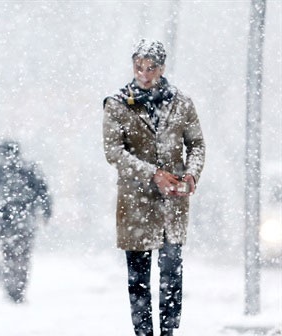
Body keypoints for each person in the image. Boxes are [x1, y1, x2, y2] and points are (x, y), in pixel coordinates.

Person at [102, 39, 205, 336]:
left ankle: (170, 332)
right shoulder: (118, 104)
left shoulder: (182, 103)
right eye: (139, 68)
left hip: (173, 205)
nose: (144, 75)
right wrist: (153, 173)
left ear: (162, 68)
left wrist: (191, 175)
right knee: (139, 280)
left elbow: (196, 144)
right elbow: (114, 152)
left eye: (151, 68)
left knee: (172, 276)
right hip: (135, 205)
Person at [0, 139, 52, 303]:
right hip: (24, 221)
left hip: (7, 222)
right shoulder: (28, 169)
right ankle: (17, 287)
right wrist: (45, 212)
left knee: (10, 254)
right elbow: (43, 192)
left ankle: (13, 287)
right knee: (21, 256)